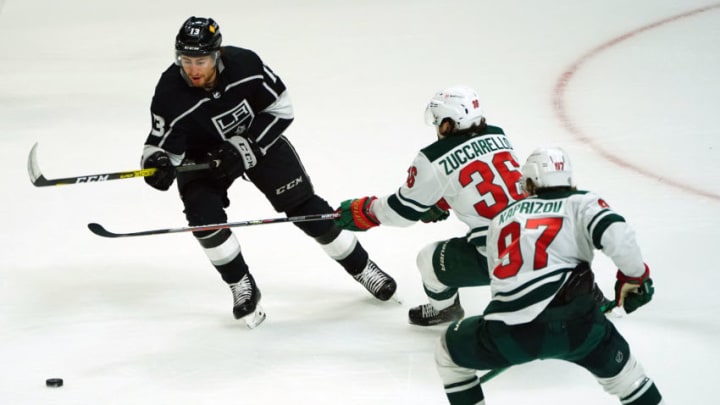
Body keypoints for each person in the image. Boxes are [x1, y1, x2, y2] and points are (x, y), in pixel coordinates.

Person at [140, 16, 396, 328]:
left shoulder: (245, 65)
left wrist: (246, 147)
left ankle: (362, 267)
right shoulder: (169, 92)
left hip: (257, 141)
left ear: (217, 54)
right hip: (203, 159)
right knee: (203, 220)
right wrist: (158, 165)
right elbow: (159, 145)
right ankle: (240, 283)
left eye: (201, 60)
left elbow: (281, 108)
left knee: (306, 209)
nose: (193, 69)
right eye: (186, 60)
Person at [434, 147, 662, 404]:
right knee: (628, 378)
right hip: (579, 328)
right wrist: (635, 278)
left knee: (448, 352)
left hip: (509, 333)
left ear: (530, 182)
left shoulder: (500, 220)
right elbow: (618, 235)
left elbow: (501, 279)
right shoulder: (580, 202)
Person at [334, 85, 526, 326]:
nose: (437, 128)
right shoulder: (499, 135)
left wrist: (366, 211)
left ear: (448, 124)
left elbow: (401, 213)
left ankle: (447, 311)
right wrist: (441, 199)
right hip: (543, 240)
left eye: (438, 121)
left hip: (502, 255)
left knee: (428, 261)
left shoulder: (433, 158)